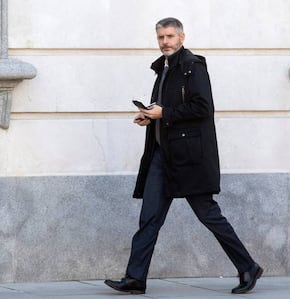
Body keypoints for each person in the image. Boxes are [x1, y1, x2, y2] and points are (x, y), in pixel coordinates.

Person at [105, 17, 263, 295]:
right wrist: (149, 116)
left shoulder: (193, 67)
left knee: (209, 215)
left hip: (188, 159)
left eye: (169, 36)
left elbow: (203, 108)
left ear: (182, 37)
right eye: (160, 37)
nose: (165, 42)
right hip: (161, 157)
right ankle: (135, 278)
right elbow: (167, 109)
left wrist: (163, 114)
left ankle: (248, 266)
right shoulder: (162, 69)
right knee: (149, 218)